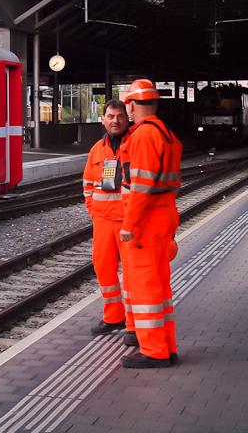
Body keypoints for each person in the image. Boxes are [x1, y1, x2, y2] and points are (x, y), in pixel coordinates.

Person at [119, 79, 182, 369]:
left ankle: (154, 351)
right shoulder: (165, 132)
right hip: (163, 211)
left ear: (131, 105)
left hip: (147, 217)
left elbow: (141, 185)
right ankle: (166, 346)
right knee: (158, 284)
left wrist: (129, 223)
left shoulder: (143, 135)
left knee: (145, 285)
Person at [83, 99, 130, 336]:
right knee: (103, 268)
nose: (115, 121)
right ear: (103, 120)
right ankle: (113, 317)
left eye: (120, 116)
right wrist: (94, 211)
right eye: (110, 116)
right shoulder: (96, 149)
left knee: (132, 273)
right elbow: (88, 184)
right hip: (102, 221)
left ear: (127, 118)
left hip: (127, 221)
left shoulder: (134, 144)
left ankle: (133, 323)